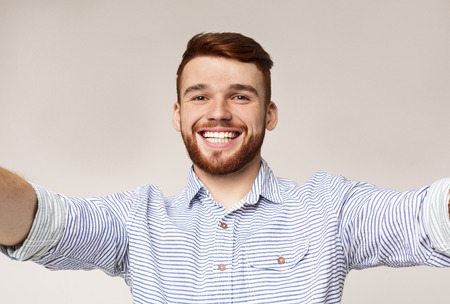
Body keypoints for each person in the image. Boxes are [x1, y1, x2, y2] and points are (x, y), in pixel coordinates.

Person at [1, 32, 449, 303]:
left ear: (269, 114)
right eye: (199, 96)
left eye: (240, 95)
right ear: (178, 114)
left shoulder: (329, 209)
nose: (218, 113)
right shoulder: (136, 220)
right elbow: (42, 221)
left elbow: (425, 218)